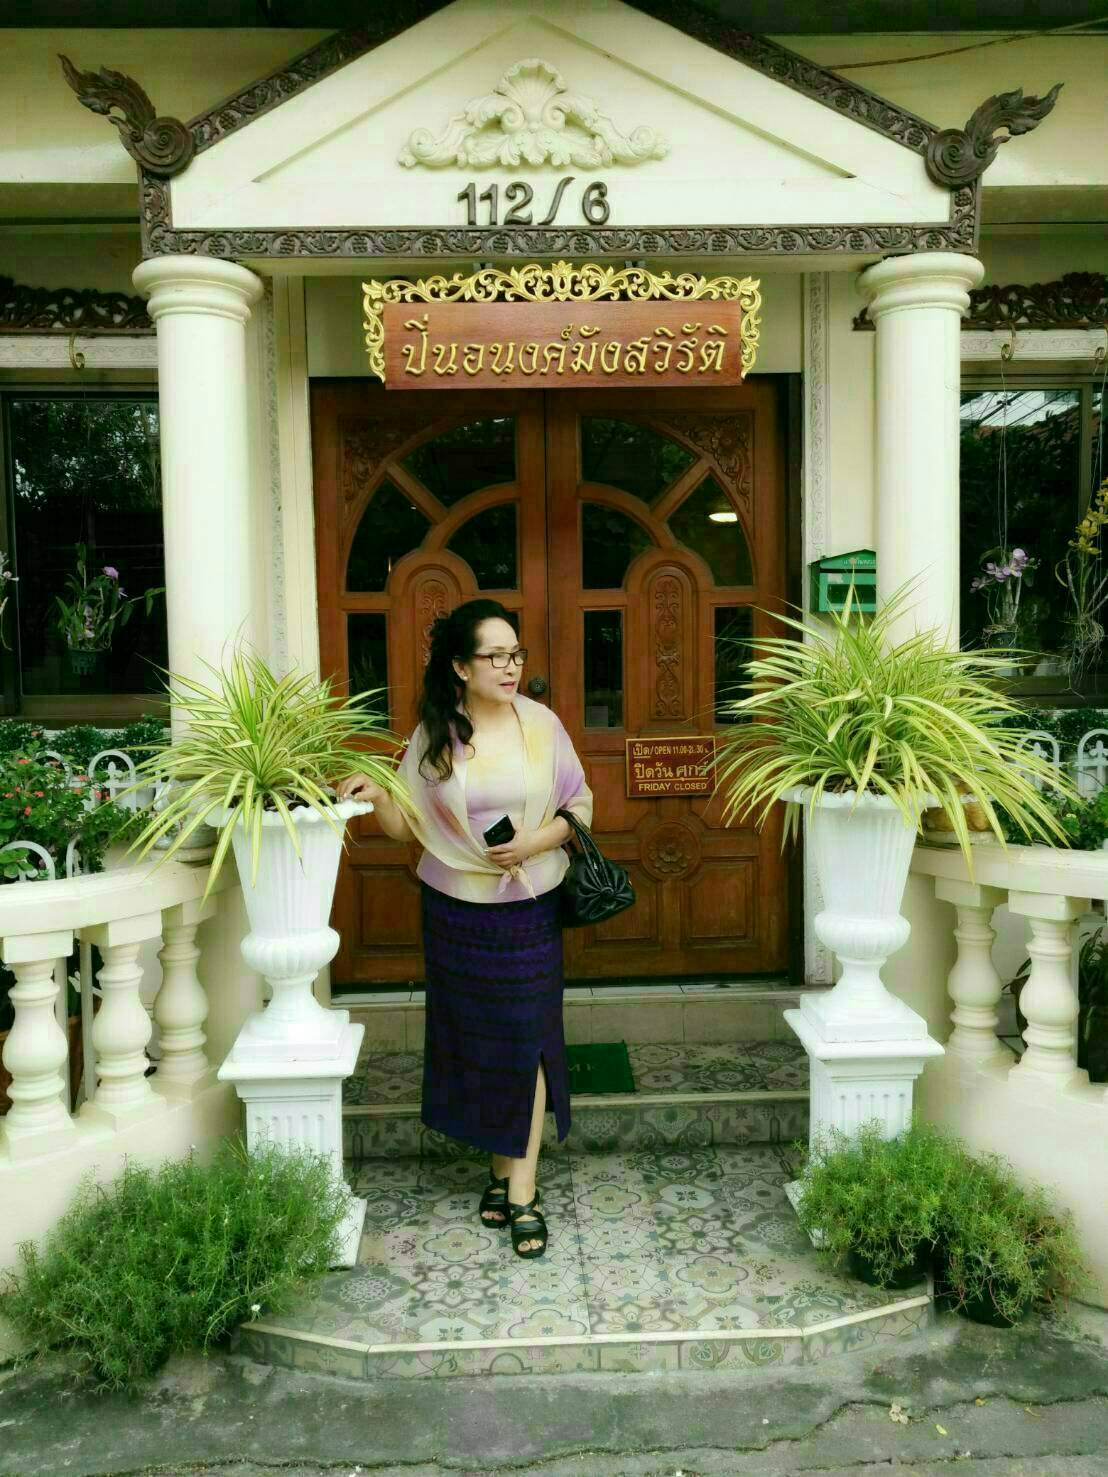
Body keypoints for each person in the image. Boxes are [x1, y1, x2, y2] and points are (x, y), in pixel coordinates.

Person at [338, 598, 592, 1259]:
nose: (510, 667)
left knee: (530, 1035)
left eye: (516, 654)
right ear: (460, 666)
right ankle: (502, 1167)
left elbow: (579, 805)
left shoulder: (541, 724)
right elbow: (407, 827)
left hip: (531, 903)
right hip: (456, 910)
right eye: (495, 655)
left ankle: (523, 1191)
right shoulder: (435, 733)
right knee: (483, 1037)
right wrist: (379, 794)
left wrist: (533, 841)